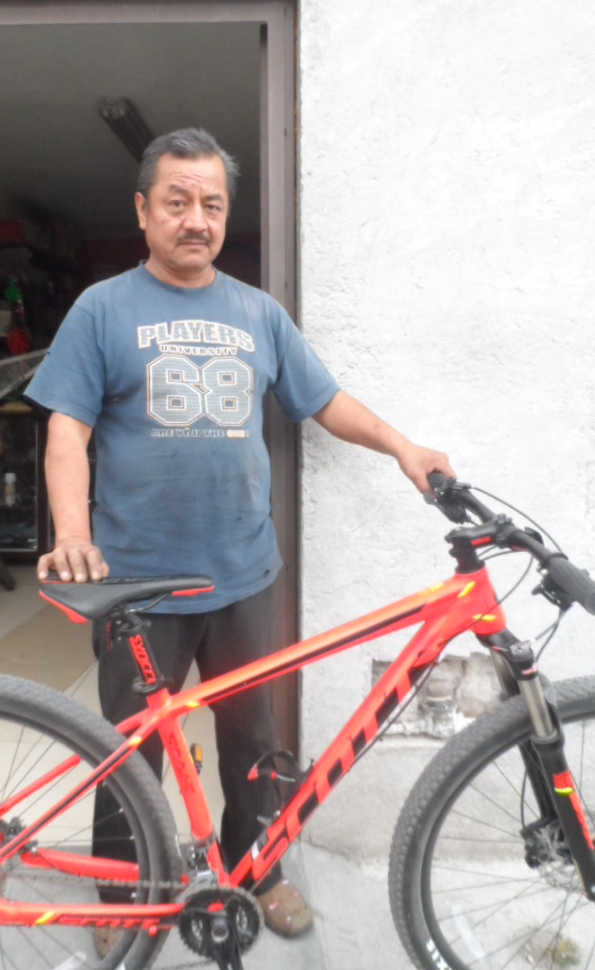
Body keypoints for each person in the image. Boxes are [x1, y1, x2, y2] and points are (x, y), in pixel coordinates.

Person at [25, 127, 455, 948]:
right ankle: (121, 900)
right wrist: (74, 531)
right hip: (138, 583)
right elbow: (66, 431)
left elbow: (326, 402)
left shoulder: (259, 313)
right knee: (130, 751)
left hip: (243, 575)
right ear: (143, 210)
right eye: (177, 201)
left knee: (253, 741)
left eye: (212, 204)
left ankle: (258, 871)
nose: (196, 219)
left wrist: (404, 447)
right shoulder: (101, 309)